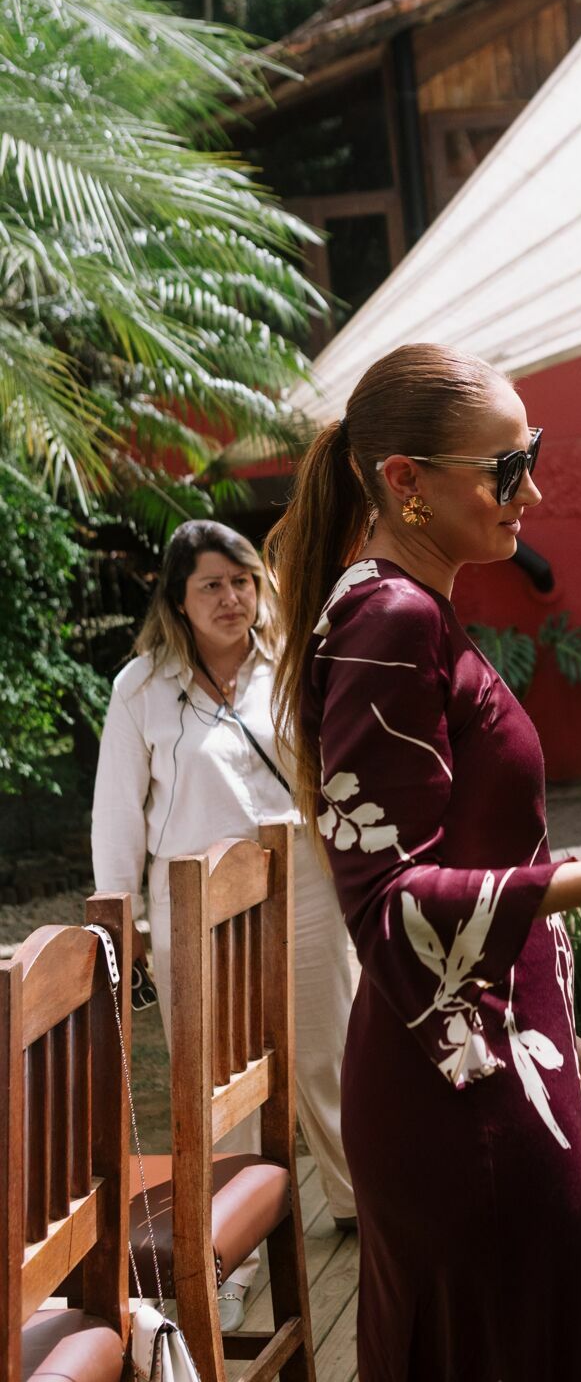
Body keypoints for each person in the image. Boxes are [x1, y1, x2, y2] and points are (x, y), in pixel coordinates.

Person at [267, 343, 581, 1382]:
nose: (534, 489)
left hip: (482, 1064)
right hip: (451, 1104)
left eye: (532, 456)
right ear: (405, 482)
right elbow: (386, 903)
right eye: (505, 469)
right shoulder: (391, 620)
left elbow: (465, 855)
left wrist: (549, 1019)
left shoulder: (411, 612)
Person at [91, 520, 357, 1329]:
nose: (232, 597)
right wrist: (119, 915)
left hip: (303, 881)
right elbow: (115, 811)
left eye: (242, 579)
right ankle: (228, 1257)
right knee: (215, 1081)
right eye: (211, 584)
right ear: (178, 599)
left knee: (329, 1052)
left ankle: (363, 1205)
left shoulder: (296, 662)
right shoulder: (141, 687)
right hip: (191, 900)